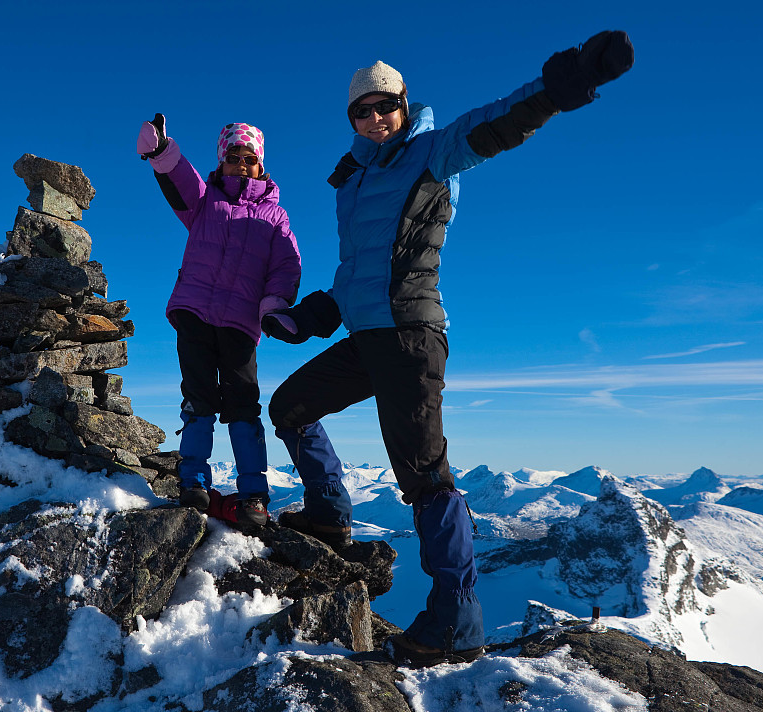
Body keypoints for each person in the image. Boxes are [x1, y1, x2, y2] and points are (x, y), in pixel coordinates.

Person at [261, 31, 634, 665]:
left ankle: (456, 619)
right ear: (351, 117)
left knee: (423, 476)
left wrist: (559, 88)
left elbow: (497, 125)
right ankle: (327, 514)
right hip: (365, 335)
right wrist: (309, 317)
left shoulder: (433, 153)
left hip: (410, 337)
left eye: (386, 106)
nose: (376, 118)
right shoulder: (350, 184)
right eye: (363, 110)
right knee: (290, 406)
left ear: (404, 104)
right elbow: (356, 273)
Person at [137, 115, 301, 528]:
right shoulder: (205, 201)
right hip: (194, 312)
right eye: (234, 157)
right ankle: (193, 482)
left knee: (243, 404)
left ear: (261, 165)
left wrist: (275, 306)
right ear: (221, 162)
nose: (242, 165)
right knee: (198, 397)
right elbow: (180, 177)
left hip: (241, 324)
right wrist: (162, 151)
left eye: (250, 159)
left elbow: (286, 265)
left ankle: (253, 496)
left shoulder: (275, 218)